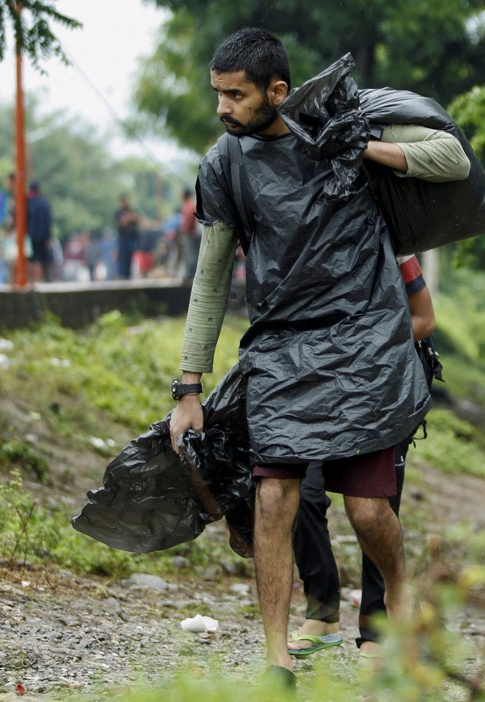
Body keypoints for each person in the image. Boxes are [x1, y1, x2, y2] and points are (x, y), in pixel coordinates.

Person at [167, 28, 468, 686]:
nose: (223, 108)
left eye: (237, 96)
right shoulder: (224, 164)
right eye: (217, 94)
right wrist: (186, 387)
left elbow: (454, 160)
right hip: (280, 348)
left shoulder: (338, 127)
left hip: (367, 342)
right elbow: (211, 278)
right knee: (275, 500)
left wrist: (365, 146)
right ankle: (277, 659)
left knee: (367, 511)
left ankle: (400, 597)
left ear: (278, 91)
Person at [290, 255, 437, 660]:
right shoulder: (308, 240)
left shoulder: (394, 245)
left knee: (375, 510)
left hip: (383, 394)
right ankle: (321, 610)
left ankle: (378, 627)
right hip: (319, 394)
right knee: (300, 494)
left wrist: (364, 349)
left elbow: (423, 321)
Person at [26, 181, 53, 283]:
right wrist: (48, 237)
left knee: (31, 259)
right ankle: (45, 278)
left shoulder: (28, 203)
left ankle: (32, 279)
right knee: (43, 259)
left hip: (31, 234)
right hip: (43, 235)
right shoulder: (44, 203)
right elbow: (48, 221)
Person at [114, 194, 140, 280]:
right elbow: (120, 222)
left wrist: (127, 218)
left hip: (132, 236)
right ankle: (122, 275)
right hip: (123, 237)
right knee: (123, 257)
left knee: (130, 256)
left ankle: (128, 275)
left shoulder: (131, 210)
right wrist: (129, 218)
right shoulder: (118, 211)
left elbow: (136, 218)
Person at [178, 189, 199, 279]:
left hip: (189, 233)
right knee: (192, 253)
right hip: (192, 233)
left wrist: (186, 230)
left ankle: (191, 273)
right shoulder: (191, 205)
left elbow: (189, 218)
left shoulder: (188, 206)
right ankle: (191, 272)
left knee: (191, 254)